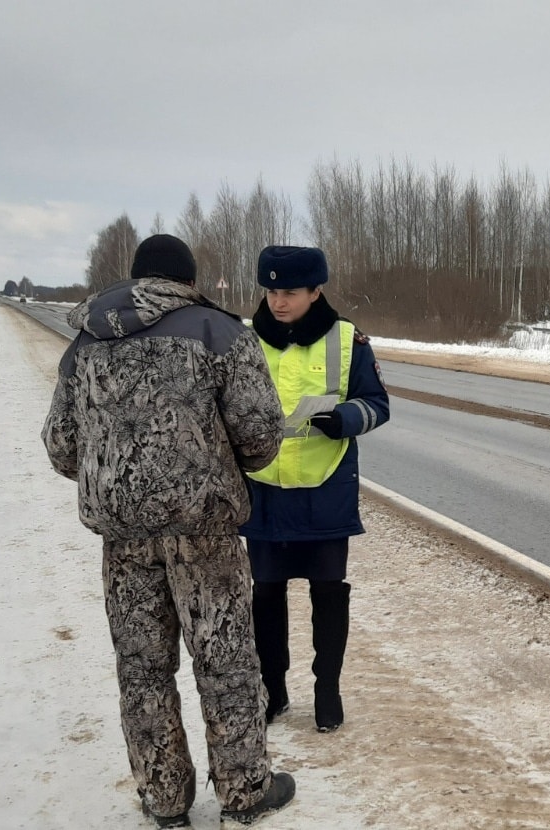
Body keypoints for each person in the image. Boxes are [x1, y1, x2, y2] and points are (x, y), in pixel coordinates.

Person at [41, 234, 297, 828]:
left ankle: (162, 797)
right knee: (226, 661)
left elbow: (61, 446)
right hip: (205, 534)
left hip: (124, 541)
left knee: (142, 667)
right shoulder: (219, 332)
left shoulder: (84, 342)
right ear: (186, 279)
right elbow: (260, 436)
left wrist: (121, 475)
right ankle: (244, 792)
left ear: (134, 279)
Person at [240, 245, 390, 733]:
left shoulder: (349, 341)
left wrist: (345, 418)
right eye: (272, 290)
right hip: (263, 488)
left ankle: (328, 690)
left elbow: (377, 403)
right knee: (266, 595)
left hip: (324, 490)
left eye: (289, 292)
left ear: (315, 291)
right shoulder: (243, 341)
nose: (278, 301)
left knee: (329, 593)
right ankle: (273, 689)